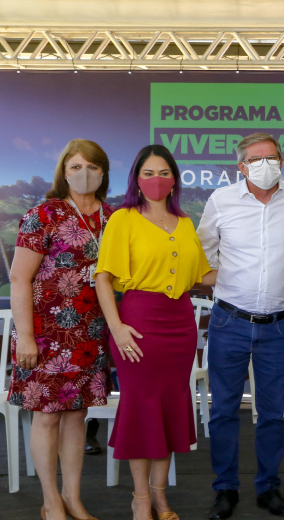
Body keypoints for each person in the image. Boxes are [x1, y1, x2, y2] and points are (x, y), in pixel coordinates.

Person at [95, 144, 215, 520]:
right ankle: (141, 499)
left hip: (179, 325)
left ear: (174, 179)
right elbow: (103, 279)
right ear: (136, 178)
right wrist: (117, 329)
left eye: (163, 173)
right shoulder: (123, 219)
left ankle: (161, 496)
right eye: (148, 173)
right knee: (142, 409)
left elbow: (203, 276)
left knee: (170, 409)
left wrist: (254, 267)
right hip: (138, 323)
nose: (156, 179)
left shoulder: (185, 222)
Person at [196, 133, 284, 519]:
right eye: (256, 159)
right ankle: (225, 489)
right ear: (240, 166)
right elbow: (202, 254)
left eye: (272, 157)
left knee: (272, 413)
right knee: (224, 410)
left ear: (282, 161)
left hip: (279, 324)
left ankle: (268, 488)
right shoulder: (221, 201)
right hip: (230, 320)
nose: (266, 165)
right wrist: (232, 280)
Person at [7, 139, 113, 520]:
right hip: (45, 333)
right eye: (75, 167)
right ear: (64, 172)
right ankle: (50, 500)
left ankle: (73, 497)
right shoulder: (43, 214)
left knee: (76, 416)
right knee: (47, 415)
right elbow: (19, 278)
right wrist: (27, 337)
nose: (83, 174)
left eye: (92, 167)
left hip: (89, 333)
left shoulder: (113, 217)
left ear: (103, 172)